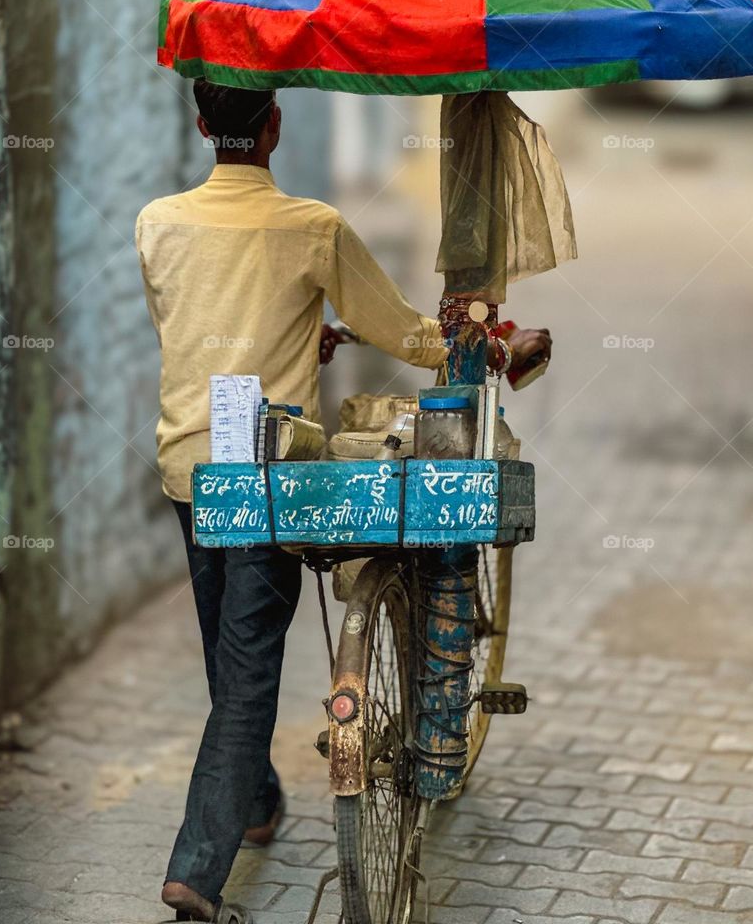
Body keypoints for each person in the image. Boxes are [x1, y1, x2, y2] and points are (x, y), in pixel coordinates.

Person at [135, 80, 552, 920]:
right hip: (266, 472)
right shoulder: (312, 228)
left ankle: (252, 804)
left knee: (228, 647)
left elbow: (197, 320)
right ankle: (196, 871)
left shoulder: (157, 222)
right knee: (248, 670)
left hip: (190, 467)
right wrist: (490, 342)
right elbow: (403, 332)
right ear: (276, 126)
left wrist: (297, 332)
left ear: (200, 121)